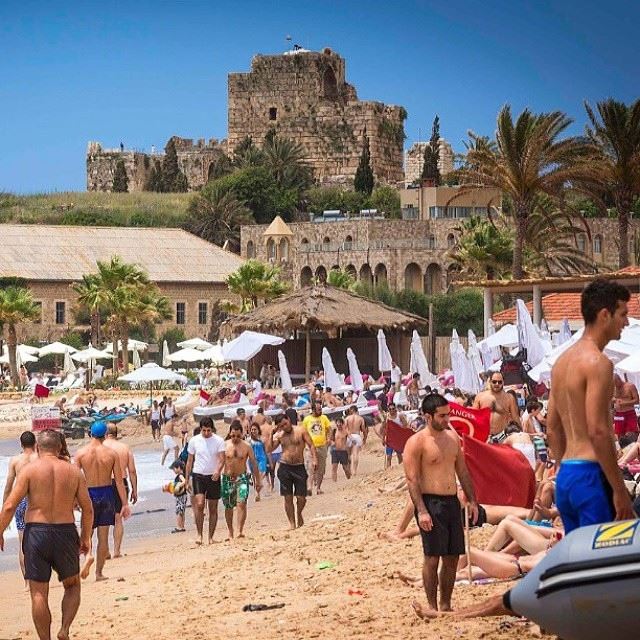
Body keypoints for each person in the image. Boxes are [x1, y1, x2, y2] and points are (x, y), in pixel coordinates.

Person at [547, 279, 635, 533]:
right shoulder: (598, 363)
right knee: (607, 563)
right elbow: (598, 431)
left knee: (582, 565)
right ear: (604, 315)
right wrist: (619, 490)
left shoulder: (561, 364)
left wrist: (563, 470)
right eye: (623, 314)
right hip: (591, 476)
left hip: (566, 477)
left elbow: (552, 429)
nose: (626, 323)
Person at [0, 430, 93, 640]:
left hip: (36, 534)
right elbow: (88, 509)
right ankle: (64, 629)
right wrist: (85, 537)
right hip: (65, 532)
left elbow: (9, 506)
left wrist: (0, 531)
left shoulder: (29, 471)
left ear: (38, 448)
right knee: (72, 585)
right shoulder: (73, 472)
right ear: (60, 448)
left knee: (39, 593)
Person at [403, 393, 478, 614]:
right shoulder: (417, 442)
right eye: (442, 416)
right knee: (432, 557)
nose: (447, 420)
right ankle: (432, 605)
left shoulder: (452, 439)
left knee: (453, 556)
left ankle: (445, 604)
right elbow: (412, 479)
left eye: (448, 415)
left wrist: (473, 500)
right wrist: (422, 510)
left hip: (451, 501)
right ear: (428, 416)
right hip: (430, 502)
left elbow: (462, 471)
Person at [75, 421, 130, 581]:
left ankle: (88, 556)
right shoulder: (111, 454)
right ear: (105, 435)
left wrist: (74, 499)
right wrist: (125, 504)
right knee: (103, 536)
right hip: (106, 492)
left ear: (90, 434)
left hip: (88, 493)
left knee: (86, 533)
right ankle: (99, 573)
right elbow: (119, 481)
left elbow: (74, 479)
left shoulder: (81, 453)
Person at [2, 430, 38, 584]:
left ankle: (27, 582)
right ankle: (40, 577)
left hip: (21, 501)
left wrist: (5, 508)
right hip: (38, 500)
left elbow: (9, 487)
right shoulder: (39, 458)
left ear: (21, 444)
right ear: (35, 443)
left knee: (23, 542)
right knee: (39, 539)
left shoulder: (15, 461)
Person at [271, 414, 317, 529]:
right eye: (281, 426)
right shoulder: (280, 435)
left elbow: (311, 445)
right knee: (288, 497)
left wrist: (315, 459)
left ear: (289, 419)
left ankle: (299, 513)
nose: (285, 427)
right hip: (285, 467)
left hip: (299, 466)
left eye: (285, 424)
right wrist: (271, 434)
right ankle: (292, 523)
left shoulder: (301, 431)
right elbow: (269, 448)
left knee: (301, 497)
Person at [185, 417, 225, 545]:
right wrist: (187, 480)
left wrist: (218, 471)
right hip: (198, 475)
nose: (206, 433)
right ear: (200, 429)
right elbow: (189, 461)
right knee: (200, 504)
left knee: (213, 508)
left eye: (208, 430)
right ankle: (199, 535)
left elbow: (222, 459)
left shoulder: (218, 440)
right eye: (204, 430)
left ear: (212, 429)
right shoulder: (194, 441)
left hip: (213, 476)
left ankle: (211, 537)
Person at [221, 422, 261, 539]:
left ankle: (239, 530)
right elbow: (219, 462)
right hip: (227, 478)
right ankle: (230, 531)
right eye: (233, 436)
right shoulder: (224, 445)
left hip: (242, 478)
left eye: (238, 436)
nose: (235, 438)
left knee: (241, 503)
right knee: (228, 506)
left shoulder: (246, 446)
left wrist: (257, 480)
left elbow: (254, 463)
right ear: (230, 433)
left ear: (242, 434)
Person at [103, 424, 138, 558]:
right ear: (116, 433)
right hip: (121, 483)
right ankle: (117, 551)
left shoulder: (100, 448)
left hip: (104, 483)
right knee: (118, 518)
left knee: (104, 519)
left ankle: (105, 551)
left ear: (106, 433)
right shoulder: (124, 448)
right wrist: (135, 490)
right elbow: (132, 471)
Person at [473, 372, 520, 441]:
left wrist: (521, 433)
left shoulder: (509, 398)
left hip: (502, 436)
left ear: (503, 382)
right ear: (490, 382)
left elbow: (515, 417)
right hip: (483, 436)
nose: (497, 384)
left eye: (499, 382)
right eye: (494, 382)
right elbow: (473, 416)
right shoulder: (480, 396)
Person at [302, 401, 332, 495]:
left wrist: (329, 439)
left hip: (322, 446)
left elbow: (329, 429)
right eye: (319, 409)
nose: (321, 411)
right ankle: (309, 487)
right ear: (313, 410)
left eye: (321, 409)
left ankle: (318, 488)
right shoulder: (307, 419)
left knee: (321, 469)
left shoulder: (324, 418)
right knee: (310, 467)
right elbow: (303, 432)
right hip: (310, 447)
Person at [613, 373, 639, 437]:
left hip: (629, 413)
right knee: (619, 434)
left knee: (631, 434)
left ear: (619, 379)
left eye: (616, 383)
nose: (616, 386)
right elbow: (610, 399)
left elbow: (637, 400)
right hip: (618, 414)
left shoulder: (630, 386)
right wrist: (613, 400)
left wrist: (624, 403)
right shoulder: (613, 388)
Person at [345, 405, 367, 476]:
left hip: (349, 436)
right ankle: (354, 471)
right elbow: (364, 430)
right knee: (355, 454)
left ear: (351, 410)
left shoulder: (347, 418)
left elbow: (344, 429)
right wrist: (365, 438)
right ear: (356, 410)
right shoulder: (360, 418)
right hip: (357, 436)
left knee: (348, 455)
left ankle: (348, 469)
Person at [166, 460, 187, 533]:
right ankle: (182, 526)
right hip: (182, 495)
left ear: (178, 468)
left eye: (174, 469)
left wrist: (178, 486)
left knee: (179, 511)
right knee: (182, 511)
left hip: (180, 496)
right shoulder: (181, 475)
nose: (173, 470)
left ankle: (179, 527)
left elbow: (184, 481)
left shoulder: (180, 475)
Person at [249, 423, 268, 501]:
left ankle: (259, 485)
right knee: (254, 478)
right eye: (252, 429)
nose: (253, 431)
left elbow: (266, 450)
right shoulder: (248, 440)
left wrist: (268, 461)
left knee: (261, 475)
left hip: (262, 459)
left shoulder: (262, 439)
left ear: (258, 430)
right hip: (252, 460)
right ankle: (257, 494)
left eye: (255, 429)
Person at [330, 417, 352, 481]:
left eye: (340, 425)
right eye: (337, 425)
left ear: (342, 424)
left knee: (345, 468)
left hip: (343, 451)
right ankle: (334, 482)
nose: (338, 426)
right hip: (335, 451)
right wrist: (332, 443)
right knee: (334, 467)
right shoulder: (334, 431)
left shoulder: (345, 431)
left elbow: (351, 438)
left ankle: (349, 479)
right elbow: (330, 439)